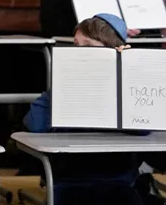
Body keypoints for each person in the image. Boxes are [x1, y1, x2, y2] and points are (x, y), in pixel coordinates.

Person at [24, 13, 148, 205]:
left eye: (88, 46)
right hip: (69, 181)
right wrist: (60, 86)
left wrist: (126, 73)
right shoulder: (65, 86)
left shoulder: (128, 87)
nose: (78, 52)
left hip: (119, 182)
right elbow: (34, 123)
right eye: (75, 45)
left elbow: (143, 128)